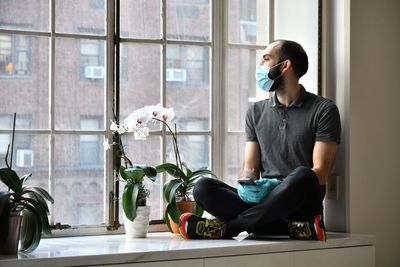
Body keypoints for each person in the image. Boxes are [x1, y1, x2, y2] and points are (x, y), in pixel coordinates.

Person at [178, 40, 341, 241]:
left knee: (304, 175)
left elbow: (321, 173)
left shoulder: (324, 110)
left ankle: (231, 228)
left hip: (301, 203)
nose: (260, 67)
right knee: (203, 187)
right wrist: (249, 186)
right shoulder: (256, 112)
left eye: (266, 59)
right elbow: (251, 169)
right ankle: (293, 228)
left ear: (285, 66)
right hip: (264, 204)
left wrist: (278, 187)